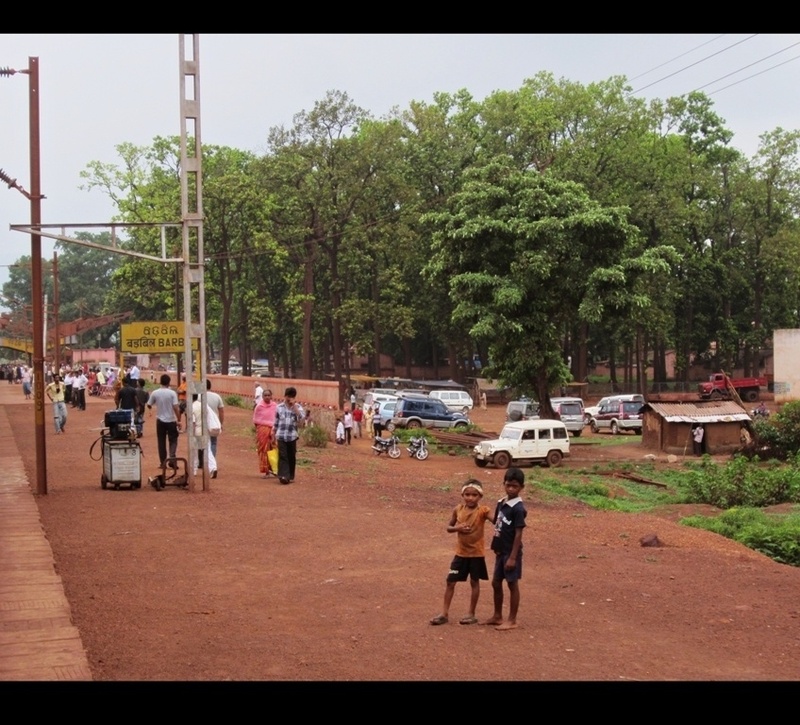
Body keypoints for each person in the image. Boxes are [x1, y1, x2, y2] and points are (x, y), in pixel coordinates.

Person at [430, 480, 493, 626]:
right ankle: (444, 613)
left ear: (480, 496)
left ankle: (471, 614)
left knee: (474, 582)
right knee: (450, 581)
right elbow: (448, 527)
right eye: (467, 494)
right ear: (462, 495)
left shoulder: (483, 511)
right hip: (460, 553)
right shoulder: (458, 509)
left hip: (476, 554)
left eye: (474, 495)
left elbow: (496, 520)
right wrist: (458, 528)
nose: (470, 498)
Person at [483, 467, 527, 631]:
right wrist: (482, 514)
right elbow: (498, 522)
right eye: (508, 485)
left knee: (512, 584)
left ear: (521, 487)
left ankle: (512, 619)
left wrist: (513, 557)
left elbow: (518, 533)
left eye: (514, 486)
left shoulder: (518, 508)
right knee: (496, 582)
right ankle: (497, 615)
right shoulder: (501, 503)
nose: (511, 489)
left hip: (510, 552)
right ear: (504, 484)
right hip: (500, 551)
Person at [147, 374, 182, 468]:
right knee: (173, 440)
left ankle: (163, 463)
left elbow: (149, 404)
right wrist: (179, 419)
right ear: (169, 382)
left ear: (160, 382)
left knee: (161, 442)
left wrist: (151, 409)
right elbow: (175, 407)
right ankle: (172, 459)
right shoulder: (172, 393)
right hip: (171, 420)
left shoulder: (155, 393)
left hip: (160, 421)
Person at [273, 386, 305, 485]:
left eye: (291, 397)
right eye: (288, 396)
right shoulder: (279, 407)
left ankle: (290, 475)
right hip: (281, 435)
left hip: (292, 436)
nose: (289, 399)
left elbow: (302, 419)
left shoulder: (298, 407)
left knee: (291, 455)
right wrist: (273, 432)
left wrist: (295, 408)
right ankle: (283, 476)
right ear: (285, 396)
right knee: (283, 455)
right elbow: (276, 421)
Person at [191, 393, 218, 479]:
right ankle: (213, 468)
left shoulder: (191, 407)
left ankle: (194, 470)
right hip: (205, 430)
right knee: (208, 450)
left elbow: (193, 423)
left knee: (194, 451)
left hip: (196, 431)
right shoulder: (204, 405)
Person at [252, 388, 277, 478]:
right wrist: (261, 430)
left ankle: (275, 469)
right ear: (262, 396)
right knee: (264, 450)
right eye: (265, 395)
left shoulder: (275, 406)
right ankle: (266, 471)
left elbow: (277, 419)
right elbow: (256, 420)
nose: (267, 397)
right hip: (262, 430)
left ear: (271, 396)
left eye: (268, 395)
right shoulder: (259, 407)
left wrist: (274, 429)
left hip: (274, 430)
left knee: (274, 449)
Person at [205, 379, 225, 464]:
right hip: (213, 423)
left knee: (202, 442)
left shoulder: (198, 396)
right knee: (213, 442)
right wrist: (220, 423)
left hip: (202, 423)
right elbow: (221, 411)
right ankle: (212, 460)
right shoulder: (216, 396)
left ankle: (202, 461)